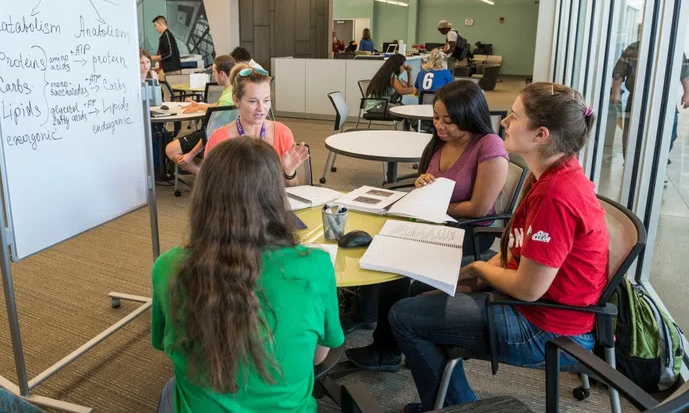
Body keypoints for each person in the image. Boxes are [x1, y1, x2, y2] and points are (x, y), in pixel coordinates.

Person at [389, 82, 608, 412]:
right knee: (422, 289)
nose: (504, 121)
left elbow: (529, 288)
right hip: (536, 307)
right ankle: (450, 403)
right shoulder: (549, 176)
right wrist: (472, 278)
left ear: (541, 135)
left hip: (545, 327)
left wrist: (476, 269)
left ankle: (455, 406)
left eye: (515, 116)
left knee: (404, 316)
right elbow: (515, 256)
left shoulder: (556, 196)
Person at [152, 137, 344, 413]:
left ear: (203, 197)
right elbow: (318, 357)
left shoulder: (168, 266)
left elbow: (163, 344)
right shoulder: (316, 266)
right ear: (276, 197)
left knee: (172, 387)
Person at [345, 80, 509, 371]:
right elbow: (429, 180)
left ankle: (388, 349)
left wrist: (430, 202)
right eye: (436, 117)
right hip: (433, 218)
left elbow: (479, 208)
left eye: (448, 120)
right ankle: (365, 312)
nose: (439, 126)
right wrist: (423, 184)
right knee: (376, 235)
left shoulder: (489, 146)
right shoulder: (440, 142)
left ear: (470, 116)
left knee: (395, 257)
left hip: (470, 231)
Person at [204, 65, 309, 186]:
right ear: (236, 101)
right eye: (253, 101)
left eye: (266, 100)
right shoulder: (219, 141)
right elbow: (210, 194)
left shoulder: (282, 133)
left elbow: (293, 190)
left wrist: (289, 172)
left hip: (274, 204)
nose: (261, 108)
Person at [164, 54, 235, 175]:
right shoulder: (232, 91)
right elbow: (218, 106)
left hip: (213, 137)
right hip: (225, 136)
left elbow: (210, 134)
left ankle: (208, 179)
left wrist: (190, 155)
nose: (213, 75)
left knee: (171, 149)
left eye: (214, 72)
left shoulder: (226, 98)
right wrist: (198, 106)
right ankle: (211, 171)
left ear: (222, 74)